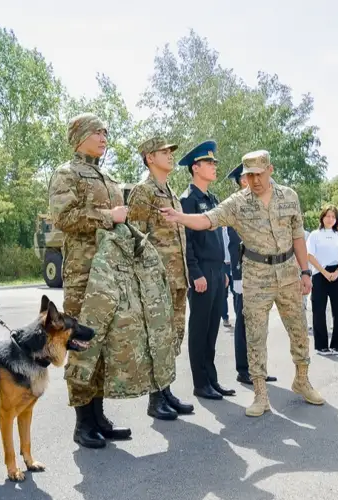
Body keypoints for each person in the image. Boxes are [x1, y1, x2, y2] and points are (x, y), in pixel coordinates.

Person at [161, 150, 324, 418]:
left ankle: (302, 380)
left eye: (259, 174)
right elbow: (207, 219)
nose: (254, 180)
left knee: (298, 329)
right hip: (256, 275)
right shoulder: (238, 203)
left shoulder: (289, 196)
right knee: (256, 335)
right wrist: (179, 217)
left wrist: (305, 272)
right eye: (249, 175)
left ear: (270, 170)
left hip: (287, 272)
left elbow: (298, 237)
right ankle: (260, 394)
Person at [48, 112, 131, 449]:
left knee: (103, 345)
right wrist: (107, 217)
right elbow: (63, 217)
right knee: (82, 345)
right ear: (79, 136)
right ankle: (83, 422)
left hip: (109, 273)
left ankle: (99, 417)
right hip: (83, 275)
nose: (103, 136)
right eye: (97, 131)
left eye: (106, 131)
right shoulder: (67, 174)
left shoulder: (107, 177)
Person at [126, 136, 195, 418]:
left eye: (170, 151)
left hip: (178, 279)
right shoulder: (144, 192)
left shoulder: (169, 191)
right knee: (157, 339)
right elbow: (134, 239)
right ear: (149, 157)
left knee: (173, 337)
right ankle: (155, 399)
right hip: (157, 282)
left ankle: (166, 391)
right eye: (163, 151)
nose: (169, 155)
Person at [178, 140, 235, 400]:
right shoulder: (187, 200)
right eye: (209, 163)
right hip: (200, 271)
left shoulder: (213, 199)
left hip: (216, 269)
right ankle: (200, 383)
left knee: (212, 327)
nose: (214, 167)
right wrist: (195, 273)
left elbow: (218, 237)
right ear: (195, 167)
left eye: (214, 163)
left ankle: (211, 379)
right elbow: (186, 240)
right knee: (200, 328)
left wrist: (223, 269)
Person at [226, 163, 277, 385]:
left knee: (259, 323)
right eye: (251, 177)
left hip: (262, 273)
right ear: (242, 181)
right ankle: (244, 369)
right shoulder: (237, 205)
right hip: (243, 272)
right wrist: (237, 275)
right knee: (244, 322)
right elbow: (233, 243)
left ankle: (258, 368)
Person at [307, 205, 338, 355]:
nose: (330, 219)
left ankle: (337, 345)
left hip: (337, 274)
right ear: (322, 217)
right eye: (327, 216)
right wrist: (324, 272)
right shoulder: (315, 234)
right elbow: (309, 256)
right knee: (319, 311)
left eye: (333, 217)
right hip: (320, 274)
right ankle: (321, 346)